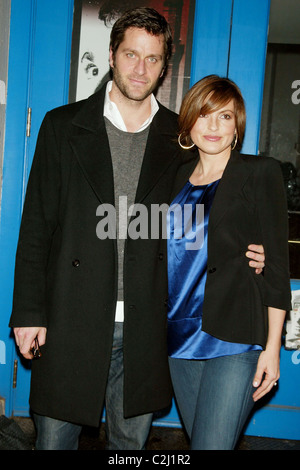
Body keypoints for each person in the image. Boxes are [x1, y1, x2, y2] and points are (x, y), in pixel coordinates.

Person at [9, 9, 264, 450]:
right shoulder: (63, 126)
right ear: (112, 55)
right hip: (72, 316)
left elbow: (203, 216)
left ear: (165, 66)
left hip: (147, 325)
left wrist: (247, 250)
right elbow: (36, 227)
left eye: (152, 58)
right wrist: (29, 313)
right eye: (131, 54)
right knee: (54, 442)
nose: (140, 68)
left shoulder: (181, 138)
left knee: (130, 448)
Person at [167, 75, 291, 450]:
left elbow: (277, 268)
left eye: (225, 117)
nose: (214, 126)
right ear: (189, 121)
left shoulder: (259, 173)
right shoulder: (174, 178)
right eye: (205, 115)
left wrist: (273, 347)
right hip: (178, 335)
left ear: (237, 126)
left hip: (235, 338)